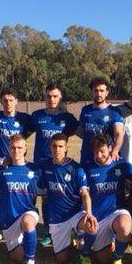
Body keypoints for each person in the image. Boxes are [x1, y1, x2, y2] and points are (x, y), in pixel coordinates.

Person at [81, 133, 132, 264]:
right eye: (96, 152)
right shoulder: (87, 169)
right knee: (103, 259)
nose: (99, 155)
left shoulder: (121, 165)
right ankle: (89, 249)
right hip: (97, 218)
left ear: (110, 148)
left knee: (125, 227)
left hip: (116, 213)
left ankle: (117, 258)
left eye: (102, 151)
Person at [31, 83, 79, 246]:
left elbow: (81, 132)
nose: (52, 99)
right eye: (49, 96)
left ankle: (69, 228)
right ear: (45, 97)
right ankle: (48, 232)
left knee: (62, 196)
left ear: (60, 97)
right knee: (44, 198)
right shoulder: (37, 116)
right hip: (41, 165)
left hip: (60, 166)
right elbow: (23, 133)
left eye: (55, 96)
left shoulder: (67, 118)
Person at [38, 133, 98, 263]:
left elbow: (85, 194)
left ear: (66, 148)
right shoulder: (44, 166)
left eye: (60, 146)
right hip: (57, 218)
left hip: (75, 213)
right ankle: (72, 235)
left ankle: (85, 253)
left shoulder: (76, 168)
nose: (57, 149)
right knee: (61, 259)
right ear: (50, 147)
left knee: (91, 226)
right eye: (54, 146)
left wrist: (89, 213)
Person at [0, 134, 41, 264]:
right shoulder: (2, 171)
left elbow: (46, 193)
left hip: (28, 212)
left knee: (27, 221)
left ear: (25, 149)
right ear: (9, 149)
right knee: (16, 258)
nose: (16, 151)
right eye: (13, 148)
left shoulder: (35, 170)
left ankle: (30, 261)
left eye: (19, 148)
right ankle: (26, 240)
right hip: (9, 219)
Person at [0, 87, 34, 242]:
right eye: (5, 100)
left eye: (11, 100)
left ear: (16, 101)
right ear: (1, 102)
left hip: (16, 160)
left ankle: (22, 223)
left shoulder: (24, 118)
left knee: (17, 193)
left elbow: (32, 129)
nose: (8, 103)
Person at [77, 77, 124, 164]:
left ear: (107, 92)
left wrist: (115, 150)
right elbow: (81, 130)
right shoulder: (85, 110)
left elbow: (119, 134)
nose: (99, 94)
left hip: (105, 158)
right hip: (87, 157)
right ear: (92, 92)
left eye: (102, 91)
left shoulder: (114, 112)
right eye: (96, 91)